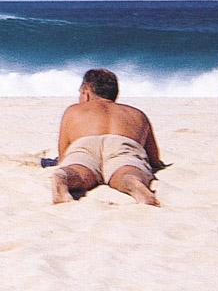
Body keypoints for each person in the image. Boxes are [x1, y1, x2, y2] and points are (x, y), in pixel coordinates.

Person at [51, 68, 164, 206]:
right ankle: (133, 182)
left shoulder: (73, 110)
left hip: (85, 145)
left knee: (78, 170)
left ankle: (64, 177)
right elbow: (154, 158)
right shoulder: (137, 113)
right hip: (122, 145)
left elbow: (63, 155)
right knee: (128, 172)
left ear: (86, 92)